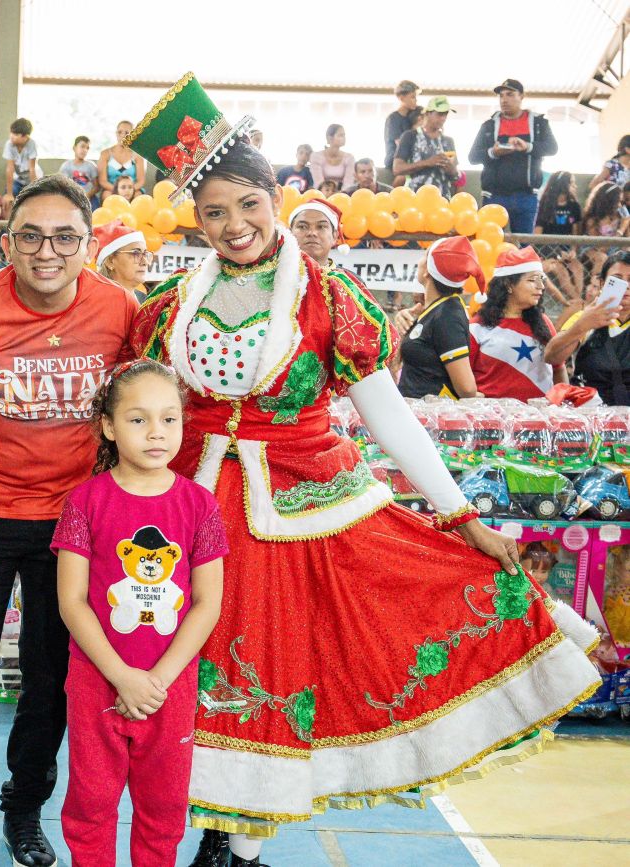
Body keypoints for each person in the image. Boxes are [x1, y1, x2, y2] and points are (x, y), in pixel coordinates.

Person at [122, 74, 598, 866]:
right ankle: (213, 833)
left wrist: (461, 515)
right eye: (214, 213)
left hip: (299, 516)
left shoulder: (329, 299)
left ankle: (237, 848)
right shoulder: (169, 306)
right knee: (194, 681)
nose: (235, 226)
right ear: (195, 220)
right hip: (188, 518)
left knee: (271, 671)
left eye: (249, 205)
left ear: (277, 199)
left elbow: (391, 418)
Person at [0, 174, 139, 867]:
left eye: (65, 237)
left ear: (89, 243)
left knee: (50, 681)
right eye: (31, 237)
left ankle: (24, 811)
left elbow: (141, 403)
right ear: (6, 241)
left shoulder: (119, 308)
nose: (47, 252)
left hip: (72, 528)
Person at [53, 359, 226, 867]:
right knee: (91, 802)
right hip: (96, 681)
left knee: (163, 809)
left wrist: (157, 681)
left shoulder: (200, 506)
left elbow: (207, 602)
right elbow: (72, 601)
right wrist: (122, 677)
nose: (156, 432)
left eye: (169, 419)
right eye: (138, 419)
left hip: (169, 688)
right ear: (108, 426)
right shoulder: (85, 502)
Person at [469, 246, 564, 400]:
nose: (541, 286)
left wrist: (561, 403)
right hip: (493, 413)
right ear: (508, 284)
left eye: (542, 279)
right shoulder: (476, 327)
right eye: (532, 280)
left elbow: (559, 369)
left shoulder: (544, 322)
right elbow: (464, 381)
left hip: (539, 412)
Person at [468, 79, 557, 234]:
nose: (504, 100)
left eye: (510, 94)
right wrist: (493, 152)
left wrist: (528, 147)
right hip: (494, 195)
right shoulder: (489, 126)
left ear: (522, 96)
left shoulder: (538, 124)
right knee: (490, 239)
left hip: (526, 195)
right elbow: (473, 157)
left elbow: (552, 148)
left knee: (524, 243)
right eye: (501, 95)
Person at [396, 236, 481, 399]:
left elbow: (466, 388)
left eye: (424, 254)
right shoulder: (435, 309)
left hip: (432, 413)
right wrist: (404, 329)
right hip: (416, 409)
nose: (419, 260)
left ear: (428, 270)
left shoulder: (448, 316)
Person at [549, 250, 630, 404]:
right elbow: (552, 357)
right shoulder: (584, 316)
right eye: (618, 280)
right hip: (590, 410)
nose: (626, 286)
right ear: (603, 284)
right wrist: (583, 325)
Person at [393, 96, 458, 197]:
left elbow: (455, 176)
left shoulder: (448, 141)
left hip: (442, 198)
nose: (443, 118)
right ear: (428, 113)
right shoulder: (410, 136)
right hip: (416, 197)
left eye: (446, 114)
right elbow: (397, 168)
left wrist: (450, 169)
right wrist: (427, 163)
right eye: (440, 114)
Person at [92, 219, 150, 300]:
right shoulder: (94, 301)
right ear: (110, 261)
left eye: (145, 254)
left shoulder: (147, 302)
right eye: (136, 253)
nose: (145, 262)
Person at [98, 120, 147, 204]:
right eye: (120, 132)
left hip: (132, 189)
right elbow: (103, 181)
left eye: (126, 133)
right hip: (112, 189)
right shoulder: (105, 154)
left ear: (132, 135)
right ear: (116, 133)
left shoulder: (137, 156)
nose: (123, 135)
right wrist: (119, 190)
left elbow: (140, 181)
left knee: (138, 196)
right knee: (107, 195)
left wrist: (128, 190)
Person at [287, 199, 346, 269]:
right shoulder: (276, 274)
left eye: (321, 227)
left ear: (334, 236)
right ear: (289, 234)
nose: (312, 233)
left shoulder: (347, 276)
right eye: (302, 226)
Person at [383, 80, 420, 171]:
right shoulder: (393, 119)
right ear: (402, 98)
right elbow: (400, 144)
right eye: (412, 97)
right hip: (395, 160)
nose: (416, 100)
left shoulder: (413, 117)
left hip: (411, 159)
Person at [4, 118, 40, 207]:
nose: (11, 136)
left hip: (32, 179)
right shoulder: (9, 144)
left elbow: (32, 169)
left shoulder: (31, 144)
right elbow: (10, 169)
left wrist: (35, 190)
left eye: (16, 134)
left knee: (32, 197)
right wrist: (9, 194)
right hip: (18, 179)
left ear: (25, 137)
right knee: (10, 194)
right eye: (11, 133)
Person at [309, 124, 355, 191]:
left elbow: (348, 183)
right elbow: (318, 182)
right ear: (330, 138)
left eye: (344, 135)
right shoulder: (316, 156)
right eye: (341, 135)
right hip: (321, 192)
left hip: (342, 193)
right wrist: (328, 193)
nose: (344, 138)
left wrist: (341, 194)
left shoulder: (349, 158)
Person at [535, 171, 582, 235]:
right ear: (562, 184)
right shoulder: (545, 204)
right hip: (548, 240)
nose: (575, 186)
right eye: (571, 183)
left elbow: (575, 232)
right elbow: (538, 231)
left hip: (567, 240)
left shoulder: (574, 206)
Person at [59, 136, 99, 204]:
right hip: (72, 197)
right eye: (82, 146)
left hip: (89, 197)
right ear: (74, 148)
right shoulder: (66, 166)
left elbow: (96, 187)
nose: (85, 150)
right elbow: (63, 185)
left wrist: (88, 195)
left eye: (87, 148)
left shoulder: (91, 165)